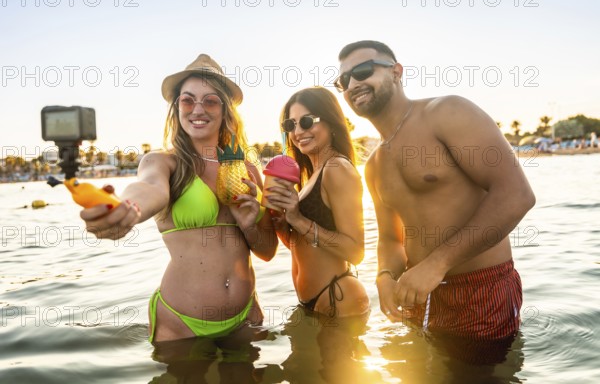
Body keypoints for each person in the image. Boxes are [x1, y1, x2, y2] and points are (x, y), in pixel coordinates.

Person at [335, 40, 535, 342]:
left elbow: (517, 195)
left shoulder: (447, 112)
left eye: (363, 71)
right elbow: (391, 239)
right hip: (418, 296)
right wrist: (384, 277)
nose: (353, 84)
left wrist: (437, 264)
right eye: (343, 80)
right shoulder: (375, 164)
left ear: (396, 72)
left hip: (479, 291)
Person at [80, 54, 278, 343]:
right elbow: (148, 189)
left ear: (225, 110)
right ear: (177, 108)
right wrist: (125, 210)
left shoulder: (247, 169)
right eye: (188, 100)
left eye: (210, 101)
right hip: (181, 326)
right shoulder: (163, 163)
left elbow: (268, 250)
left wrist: (248, 225)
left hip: (245, 318)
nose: (198, 109)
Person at [266, 87, 370, 318]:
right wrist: (284, 225)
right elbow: (305, 247)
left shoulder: (337, 168)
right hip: (317, 303)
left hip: (338, 297)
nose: (298, 131)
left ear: (331, 122)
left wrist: (298, 219)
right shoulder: (311, 175)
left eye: (306, 121)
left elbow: (355, 252)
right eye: (290, 125)